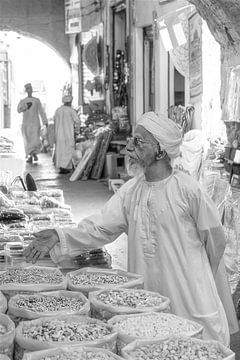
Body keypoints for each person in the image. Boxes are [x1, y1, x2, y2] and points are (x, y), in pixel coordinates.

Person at [23, 111, 238, 345]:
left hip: (191, 293)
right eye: (131, 140)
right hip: (148, 293)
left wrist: (198, 274)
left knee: (196, 345)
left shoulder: (188, 190)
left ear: (161, 150)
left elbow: (215, 241)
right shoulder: (132, 190)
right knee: (152, 345)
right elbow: (100, 226)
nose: (129, 147)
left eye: (138, 140)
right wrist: (58, 235)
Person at [17, 83, 48, 163]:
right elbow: (19, 110)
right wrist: (25, 107)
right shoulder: (23, 101)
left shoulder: (36, 100)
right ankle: (31, 154)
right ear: (26, 91)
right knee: (27, 140)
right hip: (26, 124)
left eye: (30, 89)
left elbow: (41, 111)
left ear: (32, 90)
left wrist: (45, 121)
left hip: (35, 123)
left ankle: (32, 154)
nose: (29, 90)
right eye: (28, 89)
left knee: (34, 139)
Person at [53, 94, 79, 174]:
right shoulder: (71, 110)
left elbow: (55, 120)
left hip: (59, 134)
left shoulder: (58, 110)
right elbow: (77, 121)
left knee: (60, 150)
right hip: (68, 134)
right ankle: (64, 166)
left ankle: (63, 167)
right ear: (70, 102)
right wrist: (77, 131)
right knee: (69, 149)